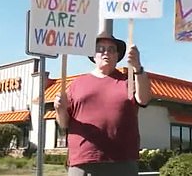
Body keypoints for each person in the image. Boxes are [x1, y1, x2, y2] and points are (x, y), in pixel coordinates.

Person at [54, 33, 152, 176]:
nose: (106, 52)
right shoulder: (77, 84)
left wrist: (138, 67)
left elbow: (144, 99)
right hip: (83, 161)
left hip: (122, 161)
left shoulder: (129, 82)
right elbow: (64, 123)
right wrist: (60, 110)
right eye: (100, 49)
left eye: (111, 49)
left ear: (118, 56)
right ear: (93, 55)